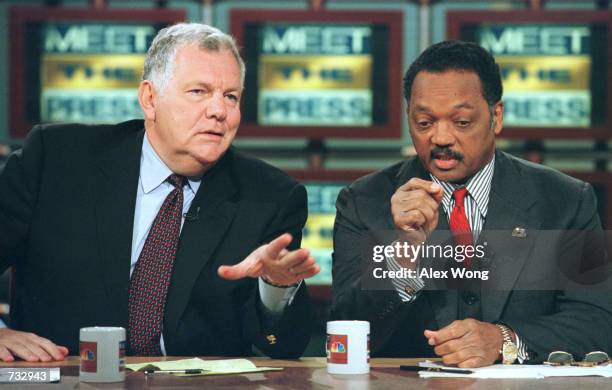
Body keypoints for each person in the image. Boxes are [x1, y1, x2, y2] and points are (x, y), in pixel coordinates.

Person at [0, 23, 320, 362]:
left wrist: (276, 288)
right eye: (199, 91)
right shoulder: (56, 160)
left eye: (231, 96)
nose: (219, 111)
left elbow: (286, 347)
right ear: (149, 99)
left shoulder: (270, 197)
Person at [331, 40, 611, 367]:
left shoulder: (565, 200)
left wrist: (505, 340)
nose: (441, 138)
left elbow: (598, 321)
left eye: (461, 122)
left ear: (496, 116)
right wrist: (402, 258)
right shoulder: (363, 201)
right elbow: (344, 331)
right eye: (424, 123)